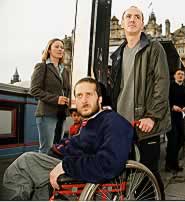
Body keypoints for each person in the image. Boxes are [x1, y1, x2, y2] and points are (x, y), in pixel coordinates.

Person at [2, 77, 134, 200]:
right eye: (79, 96)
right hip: (71, 166)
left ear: (99, 99)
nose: (84, 100)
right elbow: (80, 144)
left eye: (89, 94)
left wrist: (66, 166)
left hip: (85, 177)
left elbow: (109, 164)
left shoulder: (115, 123)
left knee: (23, 164)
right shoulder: (91, 122)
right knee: (36, 188)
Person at [109, 5, 171, 199]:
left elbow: (161, 83)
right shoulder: (117, 53)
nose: (132, 19)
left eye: (137, 16)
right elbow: (116, 87)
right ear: (122, 22)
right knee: (126, 173)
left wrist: (152, 116)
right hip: (122, 122)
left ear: (143, 23)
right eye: (129, 16)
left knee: (148, 173)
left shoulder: (154, 48)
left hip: (145, 123)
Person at [30, 38, 71, 153]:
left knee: (58, 149)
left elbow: (66, 90)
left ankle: (52, 171)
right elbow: (34, 90)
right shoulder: (42, 66)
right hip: (46, 113)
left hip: (62, 114)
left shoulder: (65, 71)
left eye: (62, 47)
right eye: (56, 47)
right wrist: (56, 99)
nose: (60, 49)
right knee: (46, 149)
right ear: (49, 49)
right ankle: (41, 171)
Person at [165, 69, 185, 172]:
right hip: (170, 117)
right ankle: (170, 165)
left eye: (182, 75)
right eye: (178, 74)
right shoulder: (170, 87)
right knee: (173, 140)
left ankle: (171, 161)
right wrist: (172, 107)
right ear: (175, 76)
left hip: (180, 117)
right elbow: (165, 100)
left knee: (183, 137)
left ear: (184, 78)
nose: (180, 76)